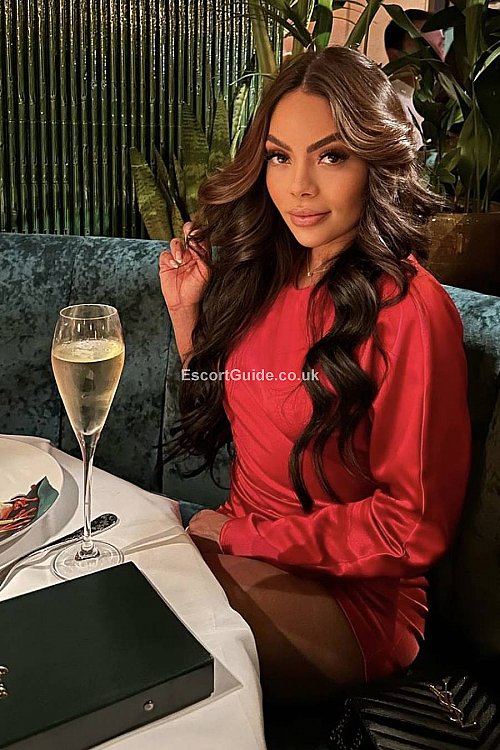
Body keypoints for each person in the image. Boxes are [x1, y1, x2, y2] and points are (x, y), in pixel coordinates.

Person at [159, 46, 470, 707]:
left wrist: (241, 536)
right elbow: (240, 423)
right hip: (241, 542)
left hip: (352, 595)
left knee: (147, 645)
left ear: (374, 163)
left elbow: (410, 525)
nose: (299, 185)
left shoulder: (411, 311)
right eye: (280, 156)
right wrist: (189, 321)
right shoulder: (265, 273)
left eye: (331, 156)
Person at [384, 9, 446, 148]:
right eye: (425, 48)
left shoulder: (449, 100)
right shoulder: (386, 104)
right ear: (395, 55)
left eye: (441, 45)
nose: (437, 57)